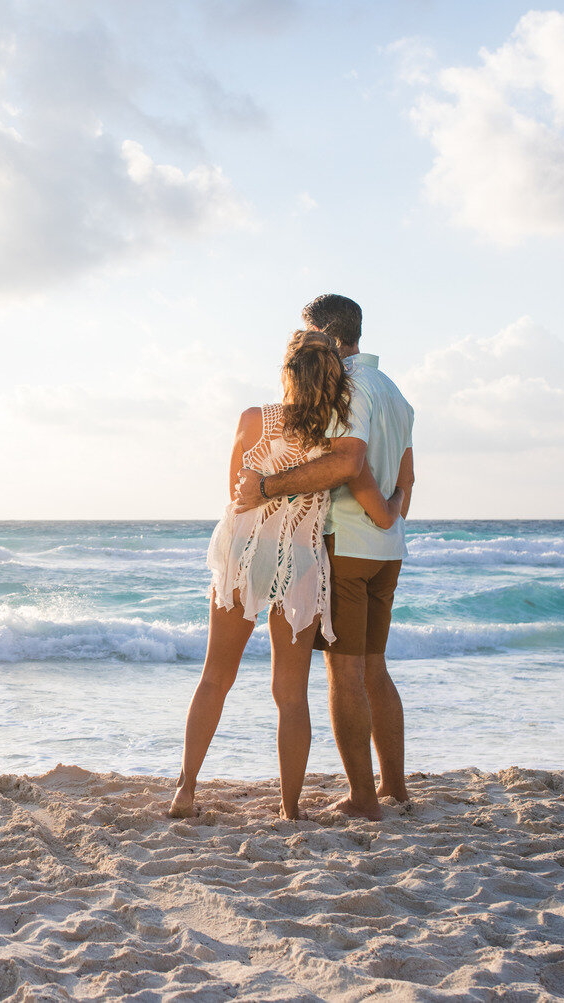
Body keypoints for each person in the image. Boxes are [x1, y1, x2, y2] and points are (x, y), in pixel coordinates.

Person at [170, 329, 409, 821]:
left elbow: (236, 491)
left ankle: (185, 791)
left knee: (216, 676)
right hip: (300, 561)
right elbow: (377, 495)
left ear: (287, 373)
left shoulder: (254, 419)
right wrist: (396, 504)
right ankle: (289, 808)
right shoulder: (336, 443)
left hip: (244, 552)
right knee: (291, 693)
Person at [233, 294, 415, 821]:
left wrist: (268, 485)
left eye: (309, 336)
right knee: (374, 669)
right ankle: (395, 789)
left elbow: (348, 461)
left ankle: (363, 798)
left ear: (328, 338)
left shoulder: (350, 386)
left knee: (346, 673)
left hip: (349, 544)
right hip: (385, 550)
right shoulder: (395, 392)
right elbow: (406, 474)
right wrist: (392, 516)